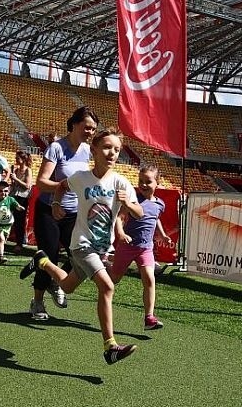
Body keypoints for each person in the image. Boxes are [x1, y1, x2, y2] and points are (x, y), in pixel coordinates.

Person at [20, 129, 142, 364]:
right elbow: (61, 186)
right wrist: (56, 204)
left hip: (101, 248)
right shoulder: (81, 178)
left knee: (67, 286)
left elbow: (138, 212)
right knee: (107, 287)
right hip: (81, 245)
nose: (112, 153)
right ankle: (110, 346)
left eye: (117, 150)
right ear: (93, 150)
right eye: (107, 147)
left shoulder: (122, 182)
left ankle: (41, 261)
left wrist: (128, 204)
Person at [29, 106, 99, 320]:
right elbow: (41, 182)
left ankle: (56, 281)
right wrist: (65, 185)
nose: (90, 132)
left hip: (74, 213)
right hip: (49, 210)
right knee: (49, 255)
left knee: (82, 253)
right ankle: (38, 302)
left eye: (93, 129)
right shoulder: (56, 148)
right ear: (74, 124)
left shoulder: (88, 151)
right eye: (86, 127)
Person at [110, 166, 173, 330]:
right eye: (141, 182)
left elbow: (155, 218)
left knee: (149, 280)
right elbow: (119, 216)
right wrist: (121, 233)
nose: (144, 185)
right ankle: (102, 270)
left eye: (148, 182)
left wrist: (163, 234)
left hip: (146, 249)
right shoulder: (133, 199)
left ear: (157, 183)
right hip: (127, 247)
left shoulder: (160, 204)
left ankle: (149, 318)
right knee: (114, 279)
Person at [0, 180, 25, 264]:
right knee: (1, 239)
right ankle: (1, 257)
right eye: (0, 191)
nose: (3, 193)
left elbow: (17, 206)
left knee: (3, 240)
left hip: (8, 224)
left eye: (5, 191)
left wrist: (20, 208)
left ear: (9, 191)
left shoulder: (10, 199)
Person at [9, 151, 33, 252]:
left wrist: (15, 179)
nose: (16, 159)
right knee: (13, 218)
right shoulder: (16, 170)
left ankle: (20, 243)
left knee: (20, 220)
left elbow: (27, 185)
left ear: (23, 160)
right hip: (14, 195)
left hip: (23, 198)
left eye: (18, 158)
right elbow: (15, 185)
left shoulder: (28, 170)